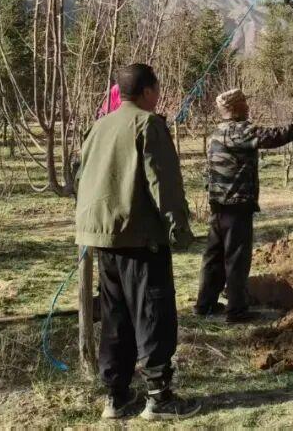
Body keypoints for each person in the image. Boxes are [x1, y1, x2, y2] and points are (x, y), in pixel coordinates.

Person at [75, 63, 198, 421]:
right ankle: (160, 398)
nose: (159, 95)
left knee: (115, 318)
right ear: (146, 91)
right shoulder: (148, 124)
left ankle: (116, 397)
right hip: (141, 240)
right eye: (157, 88)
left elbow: (81, 177)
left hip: (103, 238)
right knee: (153, 314)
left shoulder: (98, 126)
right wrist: (179, 230)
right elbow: (164, 184)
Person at [195, 88, 293, 322]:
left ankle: (205, 304)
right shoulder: (241, 131)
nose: (248, 106)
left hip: (218, 205)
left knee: (214, 255)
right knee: (237, 258)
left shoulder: (217, 132)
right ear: (236, 107)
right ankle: (237, 311)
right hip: (237, 204)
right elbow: (274, 136)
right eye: (244, 102)